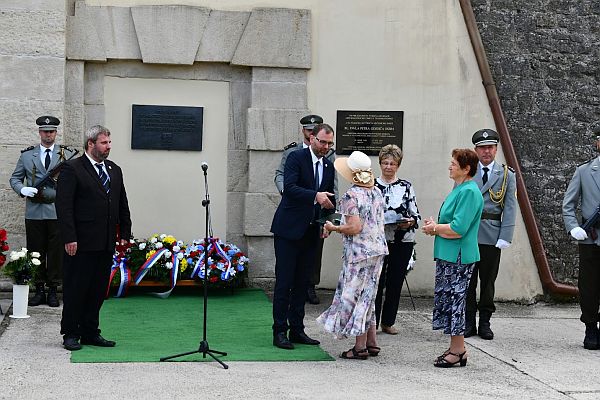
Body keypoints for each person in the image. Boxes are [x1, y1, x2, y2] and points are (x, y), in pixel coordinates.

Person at [55, 125, 132, 351]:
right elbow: (64, 206)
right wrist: (69, 237)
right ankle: (71, 332)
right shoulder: (72, 168)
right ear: (91, 144)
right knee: (76, 288)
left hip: (105, 241)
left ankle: (90, 331)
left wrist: (125, 233)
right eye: (104, 143)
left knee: (98, 290)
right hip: (80, 243)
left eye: (109, 142)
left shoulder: (114, 169)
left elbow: (121, 203)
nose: (108, 147)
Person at [270, 123, 336, 350]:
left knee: (302, 284)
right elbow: (289, 188)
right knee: (285, 282)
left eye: (329, 143)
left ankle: (297, 329)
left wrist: (328, 222)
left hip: (311, 232)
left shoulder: (328, 166)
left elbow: (329, 199)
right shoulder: (296, 157)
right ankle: (279, 331)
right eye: (322, 142)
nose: (325, 146)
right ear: (312, 139)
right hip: (288, 230)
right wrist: (315, 195)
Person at [319, 151, 388, 359]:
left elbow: (355, 227)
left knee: (357, 297)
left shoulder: (351, 195)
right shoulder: (376, 191)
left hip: (358, 253)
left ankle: (359, 347)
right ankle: (371, 341)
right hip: (377, 249)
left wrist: (333, 227)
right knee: (369, 295)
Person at [422, 148, 483, 368]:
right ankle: (456, 347)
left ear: (466, 169)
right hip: (449, 255)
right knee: (449, 301)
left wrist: (435, 228)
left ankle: (458, 350)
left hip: (458, 256)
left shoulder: (468, 191)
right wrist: (436, 227)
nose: (450, 166)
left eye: (454, 164)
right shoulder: (460, 188)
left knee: (455, 302)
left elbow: (459, 228)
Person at [9, 116, 77, 307]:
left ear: (56, 133)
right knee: (35, 252)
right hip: (35, 211)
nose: (48, 134)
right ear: (40, 133)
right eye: (45, 131)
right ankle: (38, 290)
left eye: (52, 131)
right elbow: (15, 179)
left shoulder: (67, 155)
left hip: (57, 211)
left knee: (56, 253)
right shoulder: (27, 155)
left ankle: (54, 290)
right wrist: (22, 189)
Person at [464, 129, 517, 340]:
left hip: (492, 235)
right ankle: (468, 322)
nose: (486, 151)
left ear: (496, 149)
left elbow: (511, 207)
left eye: (490, 147)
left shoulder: (506, 175)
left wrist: (506, 235)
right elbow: (458, 202)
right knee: (468, 281)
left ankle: (485, 322)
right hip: (468, 234)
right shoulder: (467, 171)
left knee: (488, 282)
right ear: (475, 150)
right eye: (482, 148)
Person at [374, 144, 421, 335]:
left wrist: (409, 221)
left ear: (398, 165)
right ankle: (373, 322)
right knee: (376, 281)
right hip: (378, 239)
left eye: (392, 163)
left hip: (402, 240)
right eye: (385, 163)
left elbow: (416, 214)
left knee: (395, 281)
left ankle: (388, 321)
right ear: (380, 164)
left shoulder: (406, 187)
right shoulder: (372, 186)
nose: (388, 167)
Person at [562, 130, 600, 350]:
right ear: (597, 143)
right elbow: (569, 204)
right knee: (589, 286)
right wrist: (574, 227)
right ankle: (590, 327)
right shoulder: (585, 171)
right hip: (591, 237)